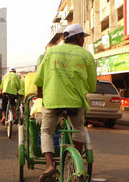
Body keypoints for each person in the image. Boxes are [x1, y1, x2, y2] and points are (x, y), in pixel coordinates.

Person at [34, 24, 97, 181]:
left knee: (47, 131)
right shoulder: (86, 55)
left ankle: (49, 165)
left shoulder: (51, 52)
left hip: (52, 101)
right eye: (83, 37)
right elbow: (91, 86)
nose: (83, 40)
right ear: (78, 38)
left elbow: (39, 79)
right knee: (78, 128)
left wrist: (41, 95)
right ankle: (75, 159)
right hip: (76, 102)